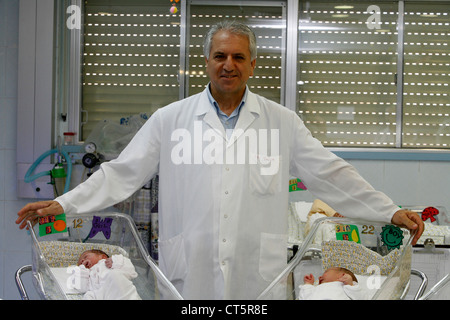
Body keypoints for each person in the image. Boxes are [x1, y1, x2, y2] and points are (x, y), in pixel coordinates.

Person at [16, 21, 424, 299]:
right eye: (220, 56)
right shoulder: (170, 120)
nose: (228, 65)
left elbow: (331, 174)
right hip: (188, 269)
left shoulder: (281, 122)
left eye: (238, 57)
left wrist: (389, 212)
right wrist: (63, 204)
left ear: (251, 65)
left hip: (256, 274)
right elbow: (123, 173)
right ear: (207, 61)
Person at [70, 249, 141, 300]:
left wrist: (115, 261)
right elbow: (82, 288)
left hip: (117, 285)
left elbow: (131, 271)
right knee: (88, 296)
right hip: (101, 292)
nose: (83, 261)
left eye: (85, 257)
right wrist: (81, 269)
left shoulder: (108, 263)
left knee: (115, 275)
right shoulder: (87, 275)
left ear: (103, 257)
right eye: (80, 263)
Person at [299, 267, 364, 300]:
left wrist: (350, 284)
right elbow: (306, 296)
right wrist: (308, 284)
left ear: (342, 275)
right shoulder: (316, 288)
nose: (319, 277)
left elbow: (359, 297)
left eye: (326, 272)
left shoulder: (346, 287)